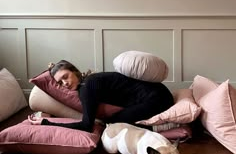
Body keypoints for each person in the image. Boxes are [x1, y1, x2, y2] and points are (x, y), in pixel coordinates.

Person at [28, 59, 174, 133]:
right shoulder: (87, 83)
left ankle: (171, 127)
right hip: (157, 93)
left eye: (65, 76)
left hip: (157, 97)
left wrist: (46, 123)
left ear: (74, 71)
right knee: (111, 122)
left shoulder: (87, 87)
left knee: (112, 125)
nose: (64, 83)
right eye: (60, 82)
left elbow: (86, 126)